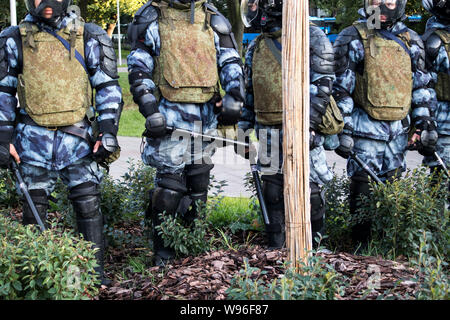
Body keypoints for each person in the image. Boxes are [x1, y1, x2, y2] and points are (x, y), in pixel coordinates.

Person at [0, 0, 123, 285]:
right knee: (34, 209)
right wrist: (3, 138)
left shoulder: (89, 35)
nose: (45, 3)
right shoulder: (13, 38)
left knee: (88, 206)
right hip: (32, 143)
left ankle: (94, 274)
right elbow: (4, 92)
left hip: (78, 141)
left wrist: (107, 131)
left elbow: (107, 86)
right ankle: (39, 277)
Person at [127, 0, 244, 266]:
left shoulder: (212, 18)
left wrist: (235, 97)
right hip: (169, 118)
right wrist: (149, 108)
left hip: (205, 118)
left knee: (199, 184)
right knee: (169, 189)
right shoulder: (152, 17)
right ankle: (163, 255)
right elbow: (139, 67)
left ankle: (193, 245)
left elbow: (230, 62)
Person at [332, 0, 437, 250]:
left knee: (392, 189)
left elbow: (421, 87)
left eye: (388, 1)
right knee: (363, 191)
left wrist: (423, 124)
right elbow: (340, 90)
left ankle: (386, 247)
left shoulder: (412, 40)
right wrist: (341, 129)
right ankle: (360, 249)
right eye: (376, 1)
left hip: (398, 132)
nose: (382, 7)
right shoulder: (353, 37)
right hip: (364, 131)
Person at [237, 0, 338, 249]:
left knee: (310, 192)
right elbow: (250, 94)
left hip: (303, 130)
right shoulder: (256, 47)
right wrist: (243, 131)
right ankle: (276, 249)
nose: (254, 10)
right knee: (273, 192)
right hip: (268, 132)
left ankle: (315, 248)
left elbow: (323, 87)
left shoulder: (312, 37)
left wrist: (310, 127)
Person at [421, 0, 450, 176]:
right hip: (445, 128)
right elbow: (423, 87)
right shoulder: (433, 41)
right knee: (441, 183)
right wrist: (426, 123)